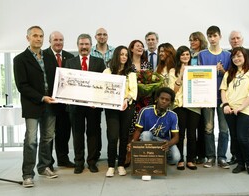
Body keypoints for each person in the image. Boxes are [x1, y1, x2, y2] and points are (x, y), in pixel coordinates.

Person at [13, 26, 58, 188]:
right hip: (33, 105)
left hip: (50, 105)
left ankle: (44, 167)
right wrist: (41, 97)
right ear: (28, 38)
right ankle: (27, 174)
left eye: (41, 36)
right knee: (31, 140)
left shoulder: (49, 56)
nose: (38, 39)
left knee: (48, 138)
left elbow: (56, 79)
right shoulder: (20, 59)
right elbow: (22, 86)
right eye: (35, 36)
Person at [65, 34, 105, 174]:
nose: (84, 47)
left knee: (93, 133)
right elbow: (67, 85)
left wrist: (98, 101)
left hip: (93, 106)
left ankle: (92, 162)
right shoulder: (70, 62)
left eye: (86, 44)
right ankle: (79, 162)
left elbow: (103, 84)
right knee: (77, 134)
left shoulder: (99, 62)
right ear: (77, 45)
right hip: (75, 106)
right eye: (81, 44)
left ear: (91, 45)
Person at [220, 47, 249, 175]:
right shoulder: (229, 73)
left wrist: (241, 107)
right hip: (230, 109)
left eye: (239, 56)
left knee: (243, 137)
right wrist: (226, 105)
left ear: (245, 57)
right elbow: (223, 90)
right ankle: (240, 163)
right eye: (234, 57)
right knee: (235, 137)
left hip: (245, 109)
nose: (236, 59)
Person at [198, 25, 230, 169]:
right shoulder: (202, 55)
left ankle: (222, 157)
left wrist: (223, 71)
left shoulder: (228, 55)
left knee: (224, 129)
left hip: (223, 98)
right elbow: (198, 76)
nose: (212, 39)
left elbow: (232, 78)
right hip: (207, 98)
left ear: (220, 36)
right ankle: (210, 157)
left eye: (215, 35)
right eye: (210, 36)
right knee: (208, 129)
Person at [104, 45, 137, 177]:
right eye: (121, 54)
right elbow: (102, 89)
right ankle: (111, 165)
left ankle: (121, 165)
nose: (124, 57)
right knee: (112, 137)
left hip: (126, 107)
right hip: (111, 108)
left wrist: (126, 100)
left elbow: (134, 92)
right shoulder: (107, 71)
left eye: (126, 55)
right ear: (116, 55)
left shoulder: (131, 73)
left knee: (124, 137)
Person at [228, 30, 249, 165]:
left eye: (237, 38)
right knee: (234, 135)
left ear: (242, 39)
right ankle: (237, 157)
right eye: (233, 39)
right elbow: (229, 77)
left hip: (248, 101)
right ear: (229, 41)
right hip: (231, 103)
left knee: (245, 134)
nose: (235, 40)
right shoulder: (227, 55)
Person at [44, 31, 75, 168]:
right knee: (48, 134)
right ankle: (48, 162)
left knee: (64, 132)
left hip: (65, 103)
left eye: (61, 40)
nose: (58, 42)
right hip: (49, 102)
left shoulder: (69, 57)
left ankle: (63, 159)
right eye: (55, 39)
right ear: (50, 41)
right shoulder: (43, 55)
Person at [128, 87, 180, 165]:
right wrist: (132, 143)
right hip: (148, 139)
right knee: (146, 134)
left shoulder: (173, 116)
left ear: (170, 103)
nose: (163, 101)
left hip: (163, 142)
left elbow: (176, 137)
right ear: (157, 99)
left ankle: (159, 162)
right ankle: (148, 162)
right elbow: (138, 130)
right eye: (162, 98)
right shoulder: (145, 111)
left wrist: (168, 144)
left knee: (176, 158)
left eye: (167, 100)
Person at [169, 46, 200, 170]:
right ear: (178, 56)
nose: (185, 57)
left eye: (187, 54)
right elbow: (173, 91)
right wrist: (181, 75)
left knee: (192, 134)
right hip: (179, 105)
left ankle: (191, 159)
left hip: (194, 105)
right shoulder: (172, 71)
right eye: (182, 55)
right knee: (180, 133)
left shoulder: (196, 69)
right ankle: (180, 159)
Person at [189, 31, 208, 164]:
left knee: (202, 127)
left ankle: (202, 154)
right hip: (191, 93)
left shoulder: (206, 54)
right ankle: (193, 154)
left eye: (195, 40)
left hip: (203, 92)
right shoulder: (188, 54)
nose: (192, 42)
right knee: (192, 127)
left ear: (201, 40)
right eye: (190, 40)